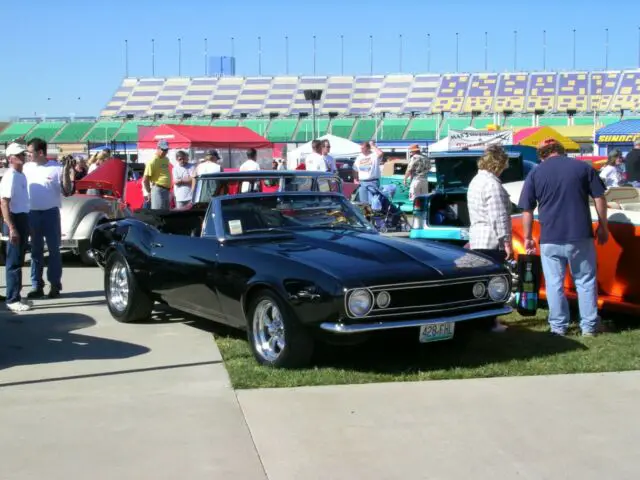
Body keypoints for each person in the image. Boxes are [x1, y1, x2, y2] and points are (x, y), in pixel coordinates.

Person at [518, 138, 608, 337]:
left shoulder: (535, 173)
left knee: (554, 283)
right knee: (585, 281)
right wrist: (603, 226)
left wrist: (527, 237)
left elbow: (527, 210)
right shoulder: (582, 167)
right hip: (580, 234)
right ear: (562, 150)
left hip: (550, 236)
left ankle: (558, 327)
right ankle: (589, 326)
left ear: (542, 155)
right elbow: (600, 197)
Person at [467, 145, 513, 333]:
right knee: (493, 284)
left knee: (481, 283)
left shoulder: (476, 181)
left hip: (478, 237)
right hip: (491, 240)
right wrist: (507, 241)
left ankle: (481, 320)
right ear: (497, 164)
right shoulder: (492, 184)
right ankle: (490, 322)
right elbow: (498, 216)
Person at [23, 138, 75, 299]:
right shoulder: (26, 167)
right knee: (35, 252)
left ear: (40, 152)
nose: (28, 155)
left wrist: (66, 171)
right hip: (32, 214)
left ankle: (54, 285)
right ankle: (36, 286)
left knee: (54, 251)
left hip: (50, 214)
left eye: (30, 152)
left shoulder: (56, 168)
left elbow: (67, 191)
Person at [1, 143, 32, 311]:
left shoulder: (21, 175)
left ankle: (17, 296)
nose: (23, 156)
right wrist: (11, 227)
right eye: (19, 155)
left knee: (19, 261)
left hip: (22, 218)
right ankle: (12, 299)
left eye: (23, 154)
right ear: (11, 158)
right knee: (13, 262)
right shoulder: (10, 176)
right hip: (14, 219)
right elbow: (4, 203)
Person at [143, 139, 172, 210]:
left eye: (166, 150)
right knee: (158, 214)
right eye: (163, 149)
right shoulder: (152, 161)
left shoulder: (166, 159)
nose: (165, 152)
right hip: (158, 190)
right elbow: (145, 180)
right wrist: (149, 192)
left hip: (167, 190)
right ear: (158, 148)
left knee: (166, 214)